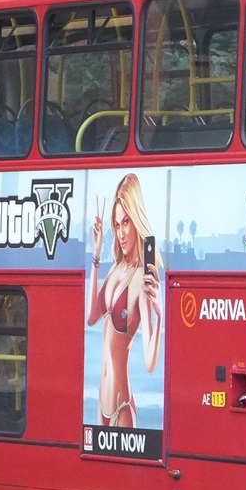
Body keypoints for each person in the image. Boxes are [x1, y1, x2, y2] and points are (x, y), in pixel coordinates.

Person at [86, 172, 163, 427]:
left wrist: (160, 314)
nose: (121, 233)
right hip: (102, 405)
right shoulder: (115, 269)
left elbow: (150, 363)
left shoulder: (141, 279)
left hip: (122, 408)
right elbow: (92, 317)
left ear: (137, 221)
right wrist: (96, 255)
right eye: (117, 225)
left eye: (126, 222)